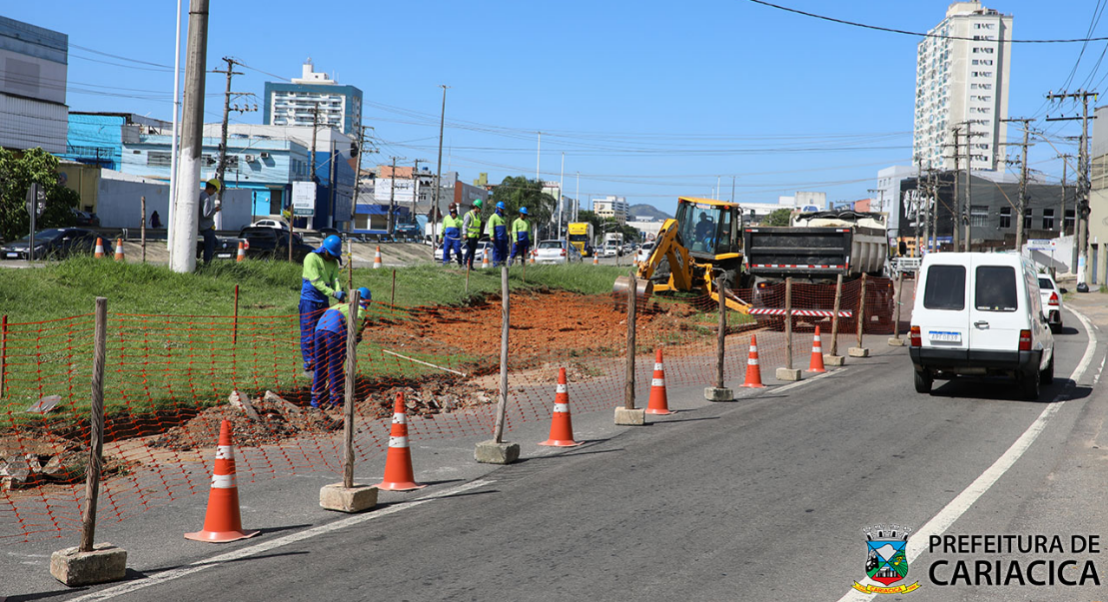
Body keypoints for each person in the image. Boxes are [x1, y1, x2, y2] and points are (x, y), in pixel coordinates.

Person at [311, 287, 372, 408]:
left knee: (320, 366)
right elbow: (354, 333)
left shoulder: (341, 305)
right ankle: (336, 399)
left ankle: (315, 400)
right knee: (336, 367)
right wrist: (355, 339)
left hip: (319, 331)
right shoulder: (359, 311)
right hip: (334, 333)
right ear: (368, 302)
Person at [299, 234, 344, 373]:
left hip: (323, 300)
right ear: (324, 249)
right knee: (308, 332)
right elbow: (316, 281)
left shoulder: (333, 262)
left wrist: (339, 292)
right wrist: (333, 293)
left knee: (321, 331)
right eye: (330, 255)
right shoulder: (311, 258)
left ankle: (320, 361)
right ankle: (309, 363)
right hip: (309, 300)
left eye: (334, 256)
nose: (331, 258)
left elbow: (335, 279)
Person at [198, 179, 222, 263]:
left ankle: (200, 247)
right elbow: (207, 214)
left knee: (215, 243)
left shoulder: (201, 195)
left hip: (203, 226)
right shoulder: (206, 199)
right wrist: (215, 210)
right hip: (207, 227)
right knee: (209, 248)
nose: (214, 193)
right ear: (211, 188)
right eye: (215, 190)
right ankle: (207, 264)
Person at [462, 199, 483, 269]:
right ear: (476, 207)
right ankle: (464, 264)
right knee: (469, 250)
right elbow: (465, 225)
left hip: (475, 236)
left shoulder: (478, 216)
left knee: (473, 251)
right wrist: (464, 234)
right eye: (480, 208)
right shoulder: (469, 214)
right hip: (469, 236)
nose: (480, 210)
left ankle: (470, 265)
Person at [487, 201, 508, 266]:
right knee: (497, 252)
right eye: (501, 208)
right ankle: (496, 266)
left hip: (503, 238)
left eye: (502, 209)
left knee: (504, 252)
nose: (502, 210)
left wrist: (506, 235)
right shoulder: (493, 217)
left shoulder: (504, 217)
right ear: (497, 208)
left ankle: (502, 265)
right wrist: (492, 236)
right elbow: (490, 227)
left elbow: (505, 228)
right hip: (497, 238)